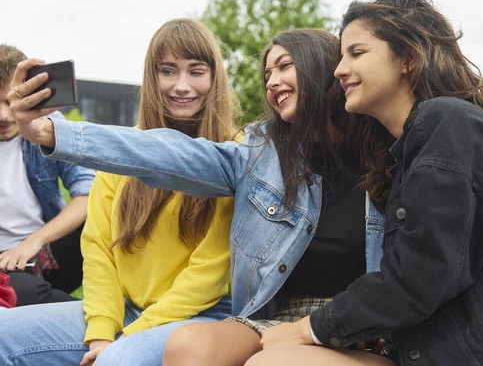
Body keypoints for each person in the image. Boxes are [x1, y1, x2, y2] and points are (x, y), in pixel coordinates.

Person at [245, 0, 483, 366]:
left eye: (357, 53)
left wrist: (308, 327)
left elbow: (423, 274)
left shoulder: (446, 122)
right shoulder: (405, 153)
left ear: (409, 59)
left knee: (275, 361)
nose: (339, 69)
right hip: (449, 349)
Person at [6, 28, 395, 366]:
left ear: (325, 69)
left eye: (285, 66)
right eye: (267, 72)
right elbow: (162, 155)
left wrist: (128, 337)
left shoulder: (387, 154)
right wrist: (51, 133)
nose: (272, 80)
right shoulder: (262, 155)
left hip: (291, 317)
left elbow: (211, 271)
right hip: (260, 319)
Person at [0, 18, 237, 366]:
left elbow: (211, 273)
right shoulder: (122, 148)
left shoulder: (236, 153)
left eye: (196, 71)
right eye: (168, 71)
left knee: (116, 362)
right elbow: (98, 250)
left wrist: (126, 339)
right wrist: (100, 332)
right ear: (151, 78)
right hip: (122, 309)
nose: (182, 86)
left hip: (200, 315)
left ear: (215, 77)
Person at [0, 44, 95, 306]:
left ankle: (34, 294)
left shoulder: (49, 124)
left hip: (44, 251)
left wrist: (34, 241)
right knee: (26, 292)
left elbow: (87, 194)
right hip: (3, 266)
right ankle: (64, 307)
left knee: (102, 219)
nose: (4, 116)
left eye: (10, 102)